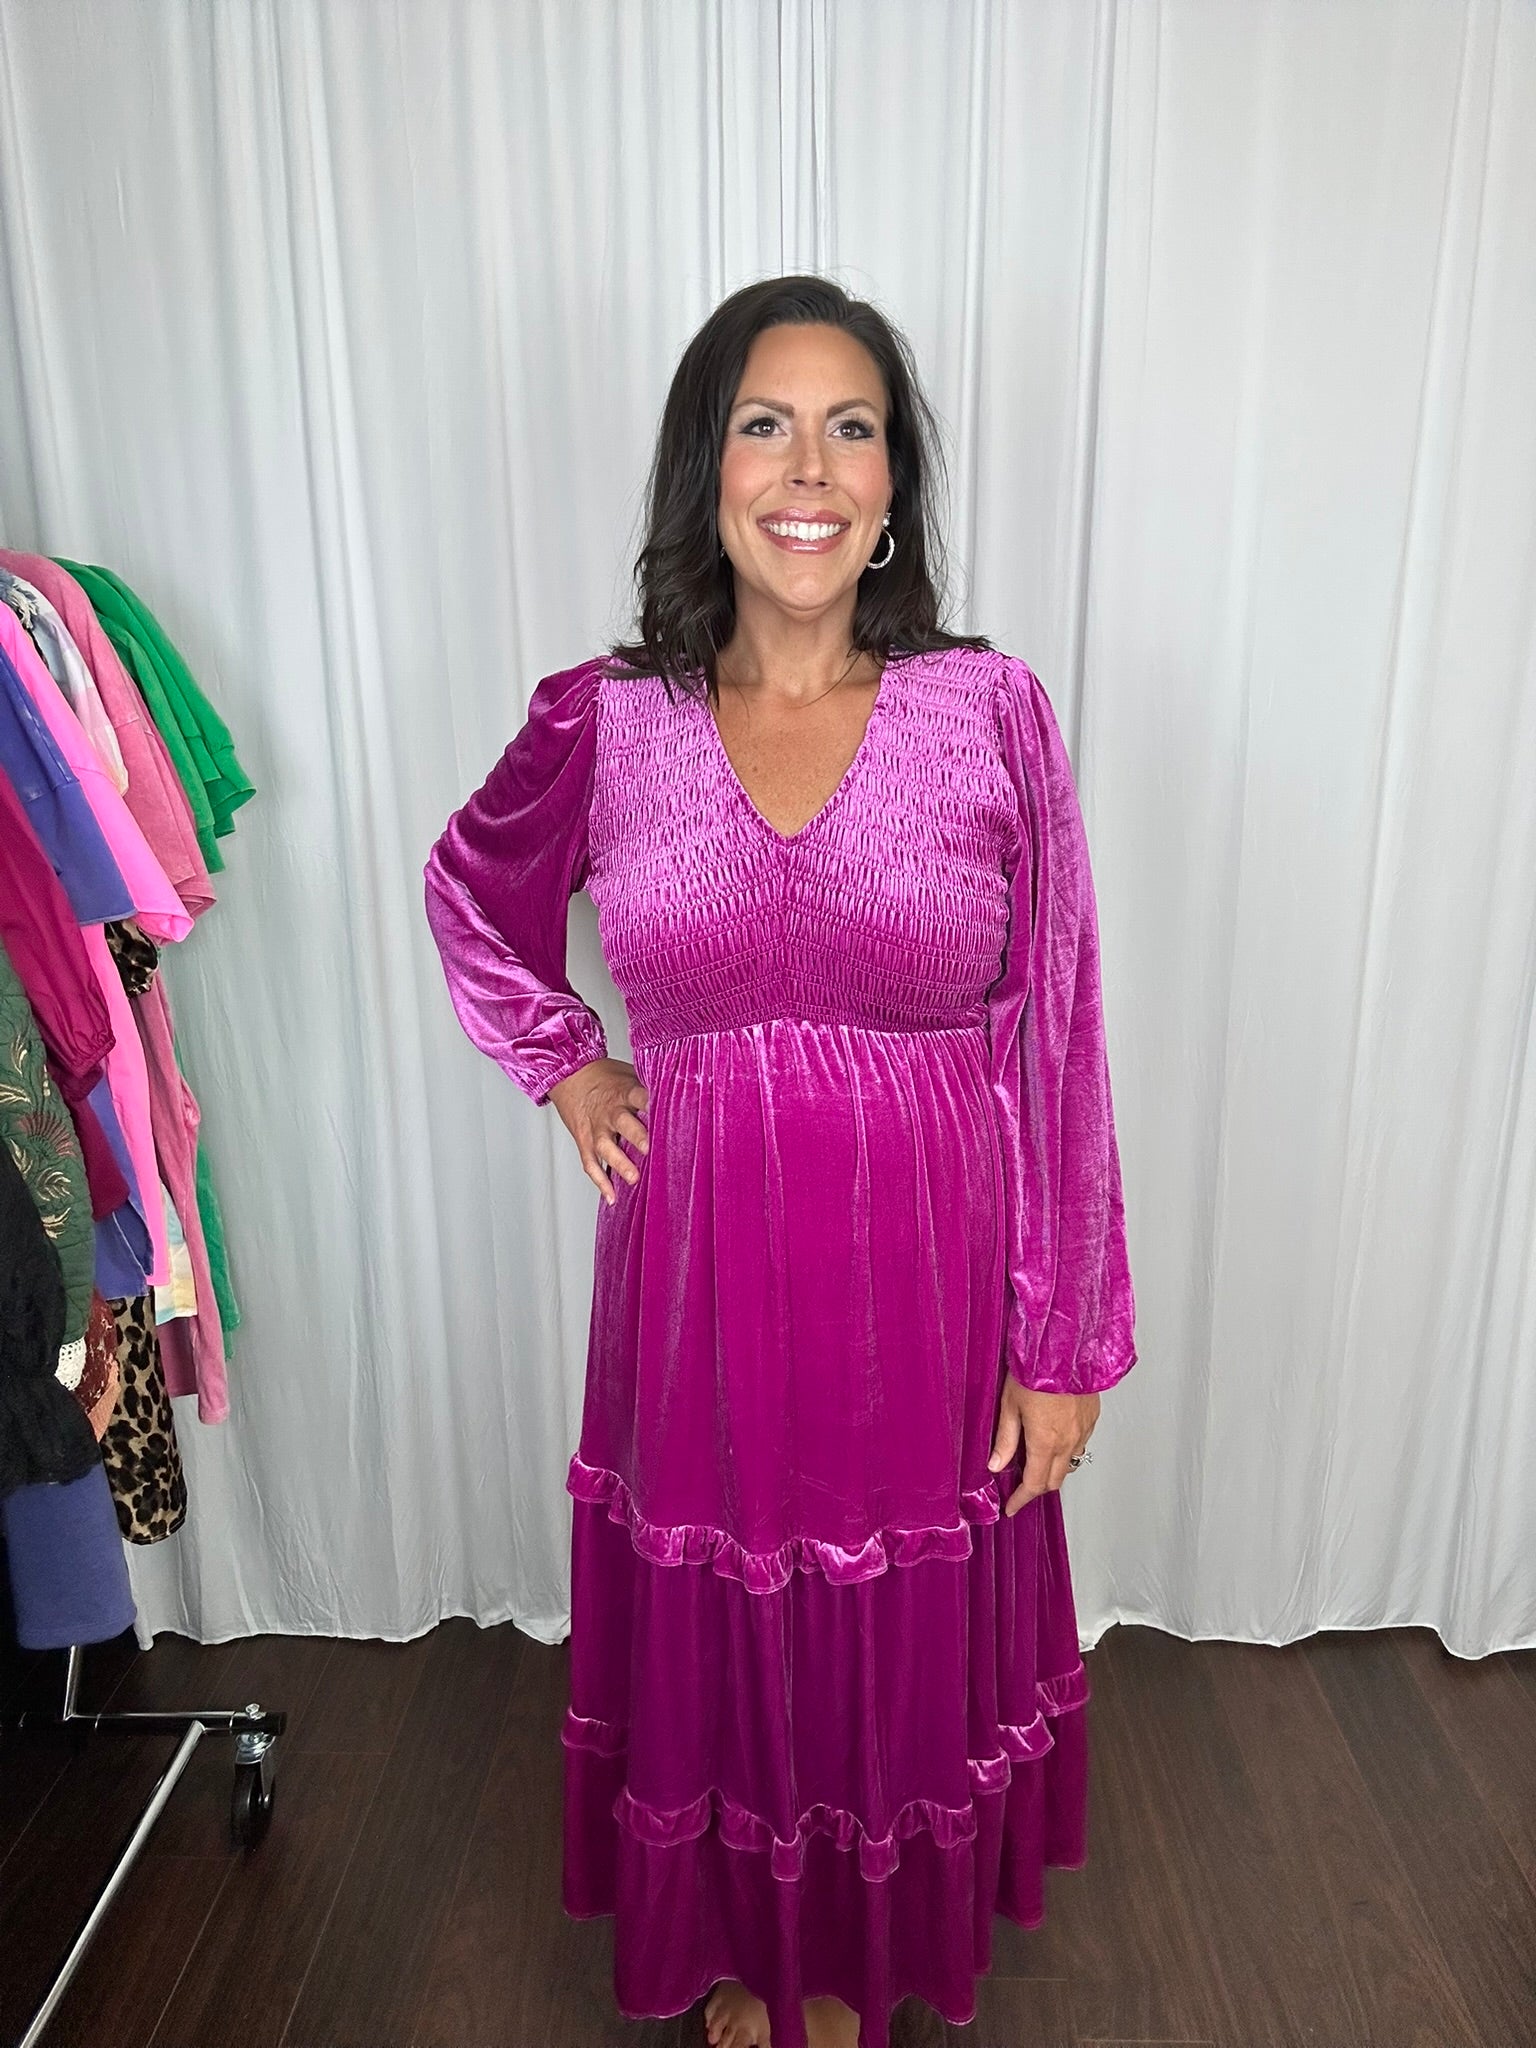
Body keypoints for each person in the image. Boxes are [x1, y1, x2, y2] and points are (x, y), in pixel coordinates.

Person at [423, 274, 1136, 2048]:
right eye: (765, 424)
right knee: (731, 1624)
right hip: (702, 1289)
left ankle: (858, 1954)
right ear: (709, 469)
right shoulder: (607, 720)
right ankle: (754, 1946)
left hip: (933, 1290)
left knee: (896, 1629)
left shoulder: (990, 711)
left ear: (893, 485)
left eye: (851, 427)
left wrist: (1062, 1342)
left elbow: (1056, 1031)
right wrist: (567, 1060)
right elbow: (471, 891)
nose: (807, 467)